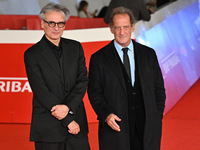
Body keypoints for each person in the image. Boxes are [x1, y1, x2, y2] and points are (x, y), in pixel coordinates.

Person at [88, 6, 166, 150]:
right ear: (111, 29)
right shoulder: (98, 58)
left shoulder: (148, 54)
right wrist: (106, 115)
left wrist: (156, 116)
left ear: (132, 27)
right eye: (117, 28)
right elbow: (94, 93)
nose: (122, 32)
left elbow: (159, 89)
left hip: (147, 127)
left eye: (125, 27)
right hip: (116, 129)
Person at [24, 2, 90, 150]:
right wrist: (68, 120)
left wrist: (68, 108)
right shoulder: (31, 54)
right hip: (48, 128)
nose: (56, 28)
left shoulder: (76, 47)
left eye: (60, 24)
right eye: (51, 23)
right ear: (42, 24)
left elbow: (82, 81)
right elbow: (41, 91)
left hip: (77, 125)